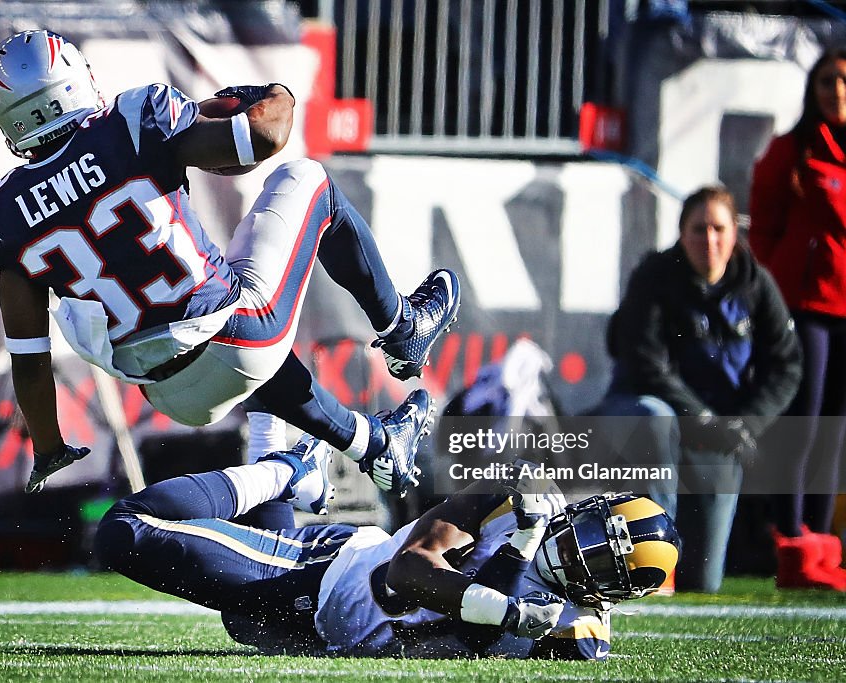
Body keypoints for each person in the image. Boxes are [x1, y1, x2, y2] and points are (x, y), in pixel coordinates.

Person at [0, 31, 461, 504]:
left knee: (220, 315)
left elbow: (29, 358)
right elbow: (263, 137)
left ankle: (371, 446)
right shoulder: (133, 119)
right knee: (307, 180)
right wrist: (277, 92)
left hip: (167, 393)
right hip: (239, 336)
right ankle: (402, 326)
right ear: (74, 80)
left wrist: (49, 447)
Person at [93, 437, 681, 659]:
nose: (580, 552)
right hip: (322, 577)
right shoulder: (516, 500)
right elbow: (406, 571)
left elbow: (470, 645)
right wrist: (518, 552)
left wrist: (509, 597)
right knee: (125, 531)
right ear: (586, 507)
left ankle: (283, 459)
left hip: (322, 628)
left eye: (601, 560)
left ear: (613, 593)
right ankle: (285, 471)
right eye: (590, 533)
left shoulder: (578, 635)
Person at [593, 186, 801, 592]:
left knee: (703, 582)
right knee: (655, 417)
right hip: (642, 417)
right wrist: (704, 419)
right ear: (681, 232)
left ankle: (676, 567)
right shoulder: (654, 276)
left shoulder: (756, 283)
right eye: (698, 229)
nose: (709, 240)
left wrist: (745, 425)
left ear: (734, 233)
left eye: (719, 228)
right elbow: (644, 364)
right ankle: (651, 554)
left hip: (717, 436)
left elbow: (787, 365)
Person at [750, 47, 846, 591]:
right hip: (806, 304)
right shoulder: (794, 150)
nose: (837, 91)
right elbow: (762, 223)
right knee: (802, 423)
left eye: (844, 81)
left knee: (835, 431)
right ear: (813, 88)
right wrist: (778, 283)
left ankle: (821, 546)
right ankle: (790, 539)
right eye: (828, 81)